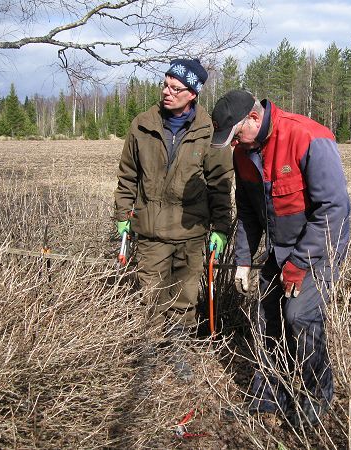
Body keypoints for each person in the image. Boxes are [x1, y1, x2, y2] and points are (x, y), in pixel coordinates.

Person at [211, 90, 351, 427]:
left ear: (255, 119)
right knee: (266, 315)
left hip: (320, 245)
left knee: (300, 315)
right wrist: (243, 259)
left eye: (236, 135)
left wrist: (300, 264)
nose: (234, 144)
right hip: (280, 247)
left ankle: (315, 399)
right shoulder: (243, 153)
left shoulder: (308, 137)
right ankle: (269, 398)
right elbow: (247, 211)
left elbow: (334, 210)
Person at [114, 59, 233, 380]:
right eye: (165, 84)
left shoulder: (211, 132)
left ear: (192, 94)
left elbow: (221, 185)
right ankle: (149, 352)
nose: (166, 92)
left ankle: (177, 348)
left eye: (175, 88)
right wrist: (122, 217)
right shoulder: (142, 124)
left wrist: (221, 229)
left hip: (191, 232)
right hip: (150, 229)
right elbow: (127, 177)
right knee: (149, 295)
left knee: (184, 297)